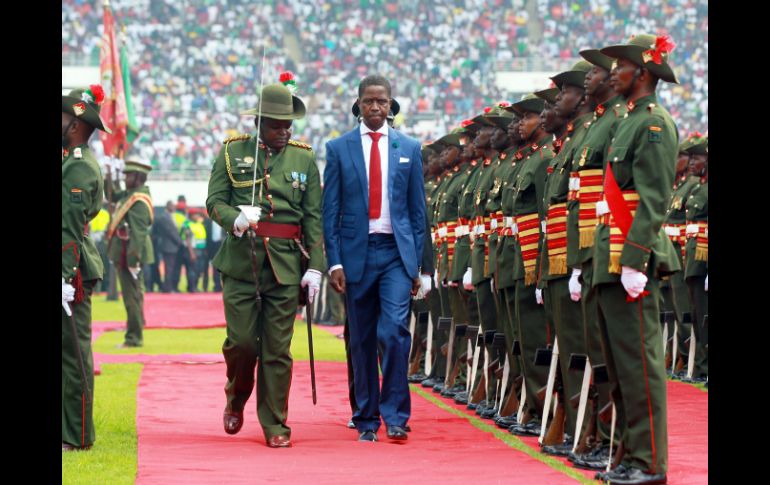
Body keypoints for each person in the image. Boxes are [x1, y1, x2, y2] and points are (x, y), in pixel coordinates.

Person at [206, 78, 324, 448]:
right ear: (258, 122)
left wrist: (316, 266)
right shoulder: (231, 152)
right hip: (242, 260)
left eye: (288, 124)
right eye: (276, 124)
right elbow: (214, 201)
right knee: (242, 343)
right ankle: (236, 396)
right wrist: (234, 220)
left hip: (286, 265)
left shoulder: (304, 157)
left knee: (277, 350)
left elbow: (313, 218)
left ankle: (275, 423)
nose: (284, 131)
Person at [593, 34, 681, 485]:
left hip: (631, 259)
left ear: (642, 72)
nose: (612, 74)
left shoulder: (654, 124)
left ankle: (650, 464)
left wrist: (635, 260)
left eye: (619, 67)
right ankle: (630, 456)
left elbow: (652, 200)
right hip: (609, 256)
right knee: (621, 365)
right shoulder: (626, 121)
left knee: (640, 367)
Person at [323, 75, 426, 442]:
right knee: (361, 338)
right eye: (369, 101)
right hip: (356, 256)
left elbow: (417, 213)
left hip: (396, 255)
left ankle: (395, 415)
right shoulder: (338, 149)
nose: (375, 107)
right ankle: (365, 418)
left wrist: (421, 267)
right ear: (359, 104)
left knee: (394, 332)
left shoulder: (409, 148)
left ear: (390, 104)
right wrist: (333, 262)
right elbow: (329, 211)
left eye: (382, 102)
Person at [62, 84, 110, 451]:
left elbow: (68, 225)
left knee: (73, 355)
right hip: (71, 265)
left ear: (75, 125)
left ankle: (77, 436)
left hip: (72, 269)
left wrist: (63, 276)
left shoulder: (78, 166)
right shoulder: (71, 160)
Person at [106, 160, 155, 348]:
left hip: (130, 255)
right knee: (134, 296)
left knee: (131, 298)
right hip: (126, 252)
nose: (126, 178)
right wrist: (109, 175)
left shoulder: (139, 200)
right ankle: (135, 329)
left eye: (128, 175)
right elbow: (112, 195)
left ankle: (133, 338)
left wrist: (133, 261)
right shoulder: (132, 194)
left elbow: (139, 234)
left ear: (138, 178)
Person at [154, 201, 184, 293]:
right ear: (168, 206)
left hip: (173, 246)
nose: (174, 207)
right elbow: (171, 232)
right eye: (172, 206)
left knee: (172, 268)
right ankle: (167, 288)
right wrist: (180, 242)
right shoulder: (164, 217)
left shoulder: (171, 216)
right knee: (169, 268)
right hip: (168, 246)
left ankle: (170, 287)